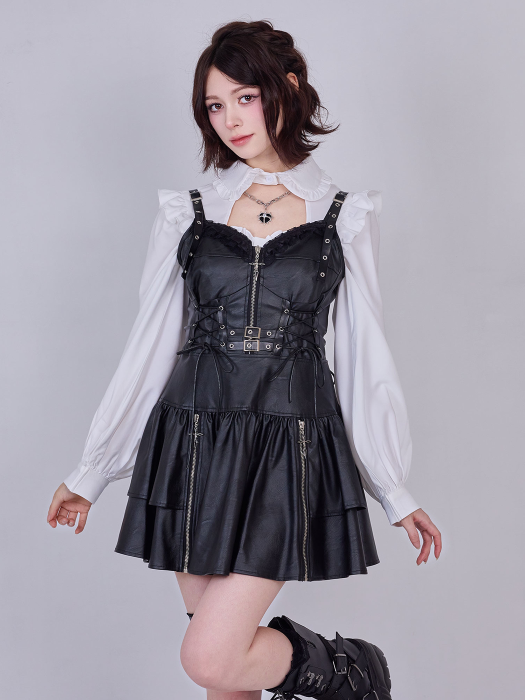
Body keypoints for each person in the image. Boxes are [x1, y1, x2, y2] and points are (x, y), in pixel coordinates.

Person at [47, 19, 442, 700]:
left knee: (211, 656)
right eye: (213, 105)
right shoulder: (188, 212)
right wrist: (93, 469)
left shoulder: (345, 216)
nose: (229, 119)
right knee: (226, 676)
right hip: (192, 438)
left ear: (287, 87)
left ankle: (348, 669)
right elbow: (151, 344)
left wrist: (392, 485)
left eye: (245, 98)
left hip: (290, 444)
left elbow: (361, 351)